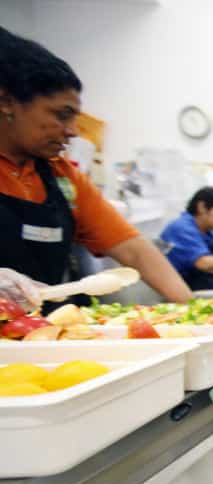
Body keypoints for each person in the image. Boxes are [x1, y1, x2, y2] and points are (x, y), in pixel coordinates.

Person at [0, 28, 190, 304]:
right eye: (61, 116)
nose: (73, 131)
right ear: (7, 103)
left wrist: (203, 317)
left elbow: (134, 251)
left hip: (41, 338)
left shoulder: (61, 177)